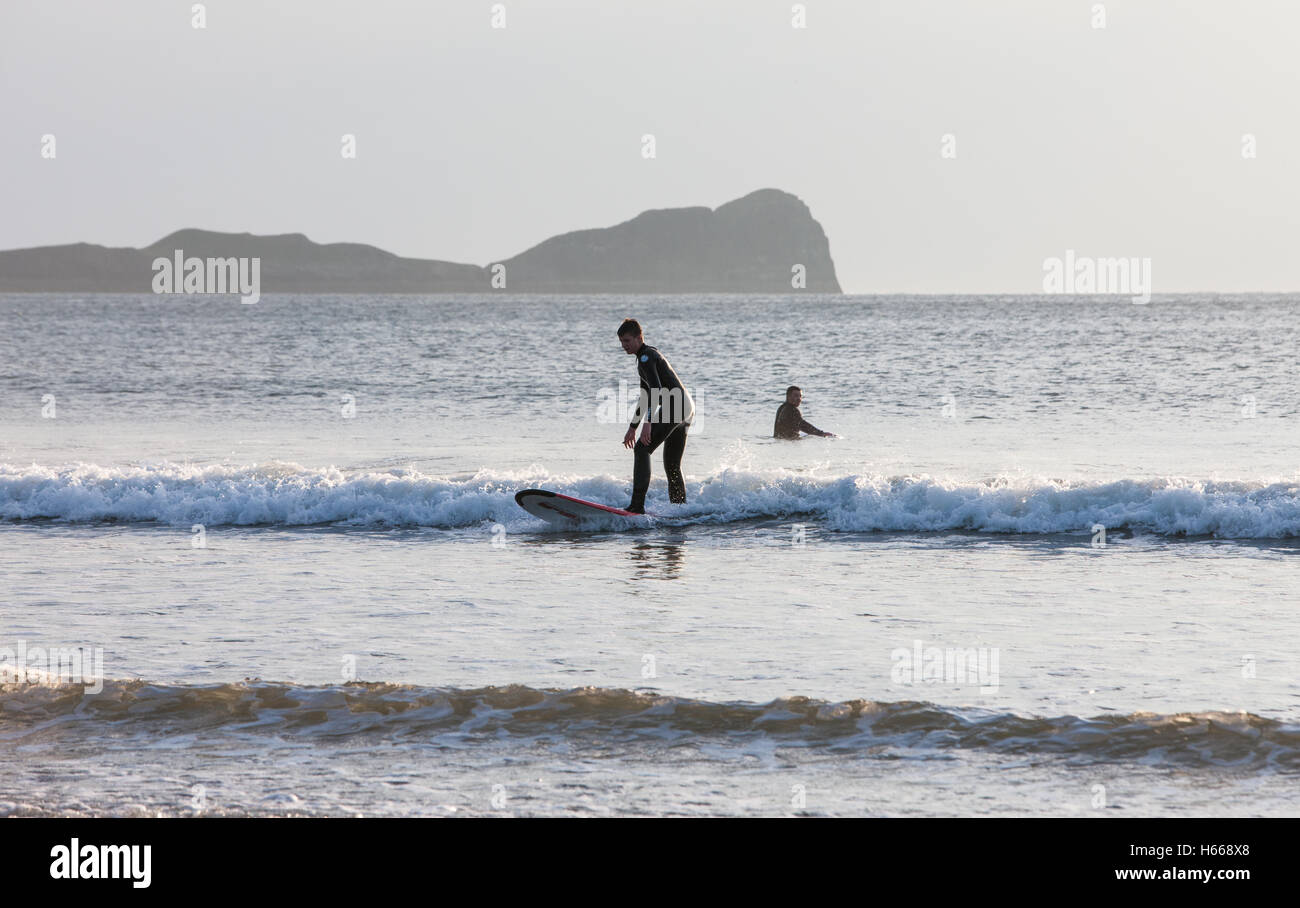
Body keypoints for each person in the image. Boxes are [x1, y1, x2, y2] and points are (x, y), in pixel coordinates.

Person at [618, 318, 694, 513]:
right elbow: (645, 396)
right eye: (621, 342)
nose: (624, 346)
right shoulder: (646, 357)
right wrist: (632, 427)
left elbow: (656, 391)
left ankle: (637, 506)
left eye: (627, 341)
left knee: (642, 449)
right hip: (685, 407)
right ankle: (680, 510)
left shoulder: (646, 357)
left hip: (675, 406)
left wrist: (648, 422)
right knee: (672, 465)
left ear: (638, 337)